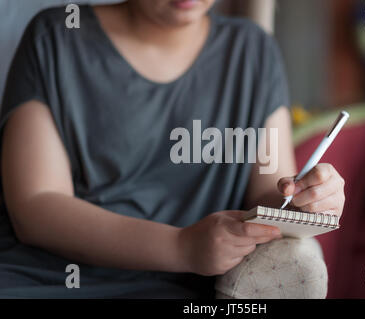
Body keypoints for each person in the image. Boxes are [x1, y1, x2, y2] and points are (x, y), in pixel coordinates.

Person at [0, 0, 345, 298]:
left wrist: (309, 199)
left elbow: (272, 193)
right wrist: (181, 247)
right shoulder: (55, 36)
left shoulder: (252, 51)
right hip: (41, 278)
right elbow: (36, 207)